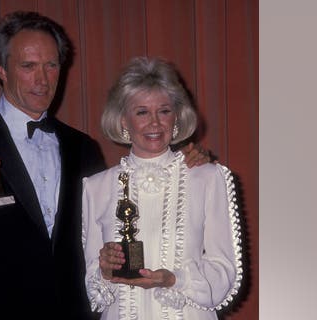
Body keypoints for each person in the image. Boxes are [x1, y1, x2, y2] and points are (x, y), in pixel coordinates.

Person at [0, 11, 210, 320]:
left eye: (51, 65)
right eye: (28, 66)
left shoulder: (83, 148)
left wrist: (183, 168)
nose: (43, 79)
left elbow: (122, 219)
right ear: (1, 69)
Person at [81, 57, 242, 319]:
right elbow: (93, 287)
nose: (155, 123)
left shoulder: (209, 178)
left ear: (176, 116)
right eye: (142, 112)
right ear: (123, 121)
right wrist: (104, 270)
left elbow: (225, 272)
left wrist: (174, 280)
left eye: (164, 111)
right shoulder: (95, 187)